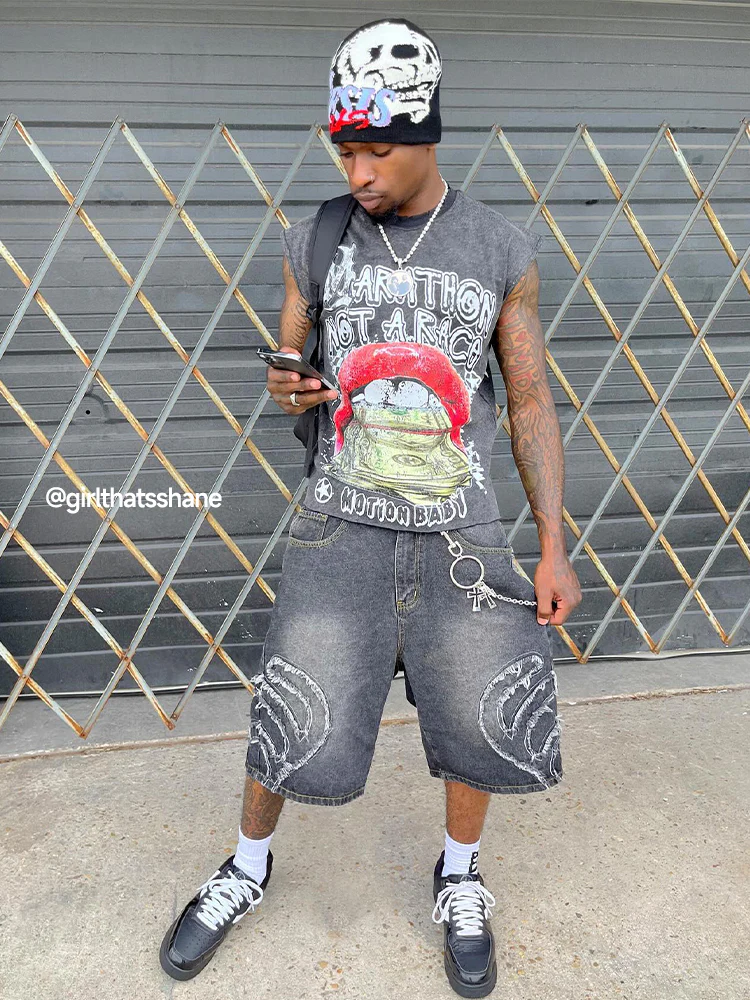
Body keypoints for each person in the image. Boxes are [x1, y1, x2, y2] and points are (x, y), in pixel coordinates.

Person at [160, 17, 582, 997]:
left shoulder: (501, 248)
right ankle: (246, 868)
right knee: (288, 711)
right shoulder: (313, 240)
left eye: (377, 150)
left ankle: (460, 875)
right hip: (339, 525)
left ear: (428, 134)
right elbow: (289, 369)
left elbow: (529, 400)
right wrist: (290, 387)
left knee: (476, 717)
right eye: (344, 149)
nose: (357, 171)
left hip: (459, 530)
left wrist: (552, 541)